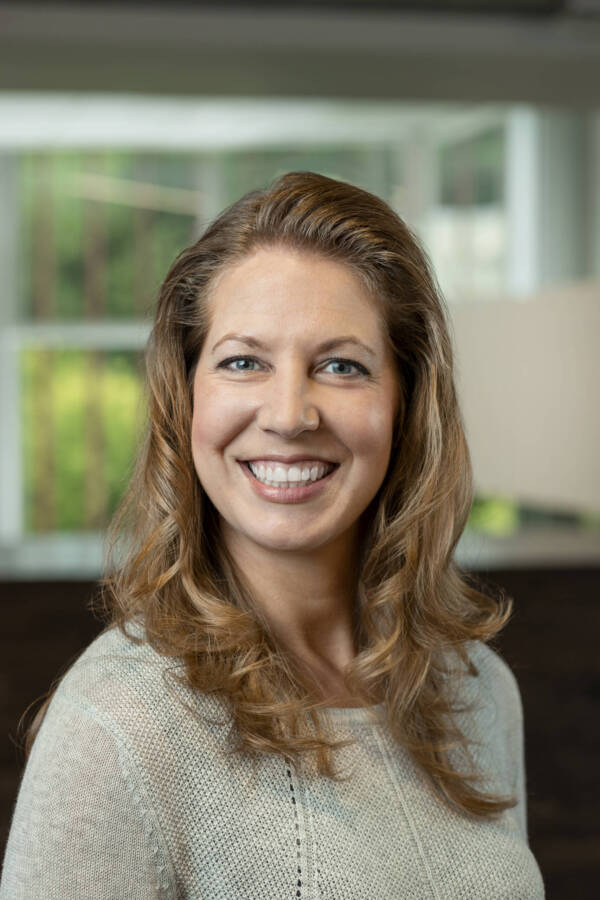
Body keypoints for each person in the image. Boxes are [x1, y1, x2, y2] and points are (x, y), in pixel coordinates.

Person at [0, 171, 545, 898]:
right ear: (186, 394)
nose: (290, 414)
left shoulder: (477, 690)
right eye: (243, 362)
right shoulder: (116, 730)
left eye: (341, 366)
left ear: (405, 403)